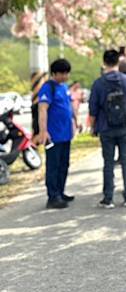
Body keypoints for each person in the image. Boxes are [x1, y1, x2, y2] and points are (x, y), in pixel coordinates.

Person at [89, 49, 126, 209]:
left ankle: (108, 198)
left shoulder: (98, 83)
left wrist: (93, 127)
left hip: (105, 127)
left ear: (104, 63)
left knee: (108, 163)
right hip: (125, 125)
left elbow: (93, 109)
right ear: (118, 62)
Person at [38, 59, 75, 209]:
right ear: (54, 73)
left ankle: (60, 191)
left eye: (67, 73)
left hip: (66, 134)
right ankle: (53, 196)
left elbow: (69, 106)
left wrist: (75, 121)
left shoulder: (64, 87)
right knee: (53, 166)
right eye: (62, 73)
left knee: (64, 165)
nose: (65, 76)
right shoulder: (48, 88)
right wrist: (43, 131)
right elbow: (42, 109)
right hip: (53, 135)